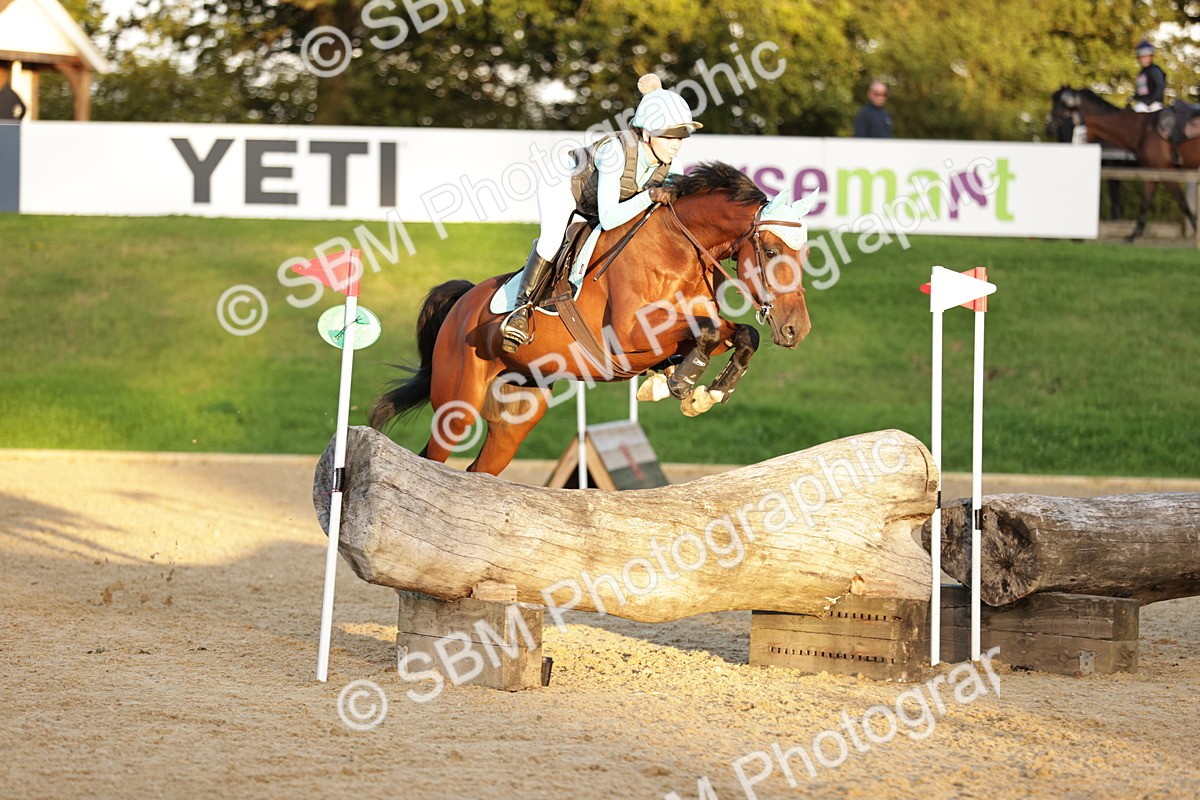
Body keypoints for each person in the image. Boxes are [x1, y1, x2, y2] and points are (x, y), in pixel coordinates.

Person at [500, 73, 702, 353]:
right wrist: (648, 196)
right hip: (564, 186)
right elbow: (608, 219)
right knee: (552, 241)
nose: (676, 144)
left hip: (600, 203)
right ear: (646, 133)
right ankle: (520, 311)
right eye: (668, 136)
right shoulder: (615, 152)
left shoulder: (674, 167)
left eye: (681, 137)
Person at [1132, 40, 1166, 113]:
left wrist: (1150, 101)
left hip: (1154, 104)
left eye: (1145, 57)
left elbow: (1160, 86)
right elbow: (1141, 90)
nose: (1143, 59)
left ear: (1150, 57)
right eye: (1141, 57)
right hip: (1143, 104)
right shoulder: (1141, 73)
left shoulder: (1154, 70)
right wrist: (1135, 97)